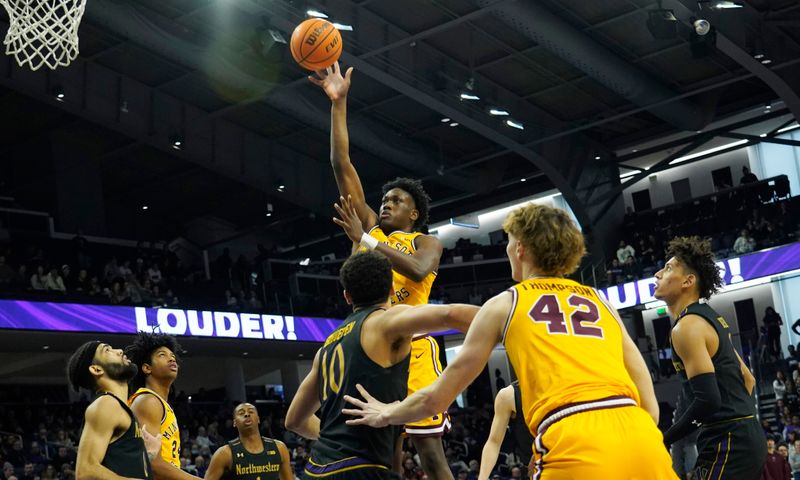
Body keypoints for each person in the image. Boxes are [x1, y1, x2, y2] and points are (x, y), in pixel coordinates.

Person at [342, 203, 676, 479]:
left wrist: (386, 413)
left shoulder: (505, 303)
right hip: (642, 437)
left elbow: (436, 398)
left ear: (520, 248)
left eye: (508, 241)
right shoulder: (601, 301)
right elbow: (649, 400)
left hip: (573, 437)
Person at [313, 61, 451, 480]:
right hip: (368, 343)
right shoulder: (369, 227)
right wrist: (339, 103)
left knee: (429, 452)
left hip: (416, 344)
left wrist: (367, 240)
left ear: (415, 213)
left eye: (396, 200)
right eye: (385, 199)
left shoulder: (425, 242)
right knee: (381, 450)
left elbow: (416, 267)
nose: (387, 203)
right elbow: (342, 165)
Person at [284, 250, 478, 479]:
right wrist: (509, 321)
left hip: (315, 470)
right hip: (361, 470)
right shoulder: (386, 321)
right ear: (392, 290)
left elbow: (294, 420)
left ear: (347, 297)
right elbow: (452, 314)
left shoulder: (326, 347)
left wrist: (334, 439)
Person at [654, 236, 766, 479]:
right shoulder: (710, 318)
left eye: (668, 268)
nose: (657, 273)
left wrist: (665, 438)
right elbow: (749, 379)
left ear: (688, 281)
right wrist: (738, 417)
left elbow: (709, 402)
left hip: (728, 440)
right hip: (745, 434)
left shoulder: (687, 327)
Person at [66, 341, 160, 479]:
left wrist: (149, 454)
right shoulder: (106, 404)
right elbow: (86, 471)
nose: (120, 350)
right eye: (107, 350)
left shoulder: (119, 407)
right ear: (96, 369)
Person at [125, 333, 197, 480]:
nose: (171, 358)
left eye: (173, 356)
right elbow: (152, 464)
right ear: (147, 368)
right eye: (162, 355)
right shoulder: (147, 401)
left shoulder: (158, 402)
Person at [204, 403, 292, 480]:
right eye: (241, 413)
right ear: (234, 423)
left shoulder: (279, 448)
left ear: (258, 419)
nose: (246, 414)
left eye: (251, 412)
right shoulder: (224, 454)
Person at [478, 382, 532, 480]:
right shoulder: (508, 395)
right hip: (533, 470)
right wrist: (482, 478)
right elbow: (494, 442)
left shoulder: (565, 382)